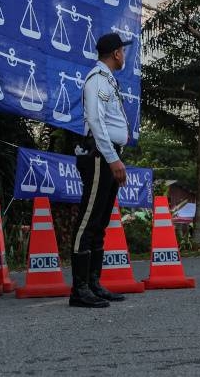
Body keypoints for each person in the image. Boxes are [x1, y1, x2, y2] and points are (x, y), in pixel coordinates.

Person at [69, 32, 132, 308]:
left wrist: (115, 156)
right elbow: (95, 120)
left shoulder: (107, 79)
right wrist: (112, 158)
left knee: (100, 223)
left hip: (107, 155)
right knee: (88, 221)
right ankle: (79, 289)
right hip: (98, 155)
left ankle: (93, 283)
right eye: (123, 52)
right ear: (117, 53)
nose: (124, 56)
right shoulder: (96, 79)